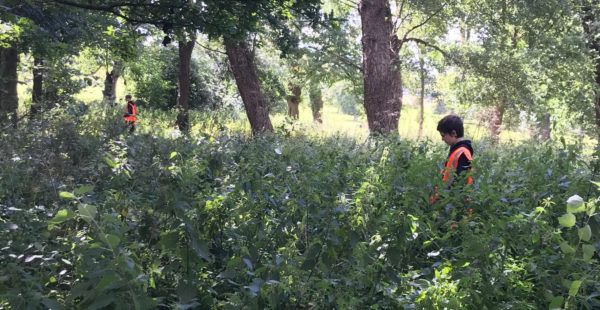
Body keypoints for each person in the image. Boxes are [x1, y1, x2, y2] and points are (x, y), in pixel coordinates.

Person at [430, 114, 474, 203]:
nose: (442, 139)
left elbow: (460, 182)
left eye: (443, 135)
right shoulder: (455, 149)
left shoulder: (462, 153)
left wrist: (444, 197)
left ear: (453, 133)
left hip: (455, 205)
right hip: (448, 201)